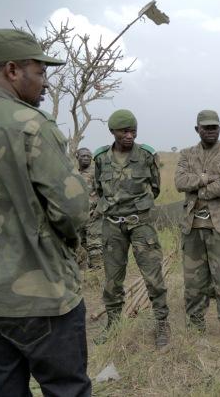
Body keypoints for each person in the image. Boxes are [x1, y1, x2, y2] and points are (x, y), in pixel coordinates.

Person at [0, 28, 92, 396]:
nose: (45, 82)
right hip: (42, 296)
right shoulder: (31, 125)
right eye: (40, 71)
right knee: (66, 388)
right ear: (12, 71)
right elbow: (73, 210)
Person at [93, 109, 171, 347]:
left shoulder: (146, 155)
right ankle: (114, 324)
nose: (129, 135)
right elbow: (99, 189)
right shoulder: (100, 158)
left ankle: (161, 324)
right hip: (112, 227)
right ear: (112, 132)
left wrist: (137, 208)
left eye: (133, 131)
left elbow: (155, 187)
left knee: (153, 276)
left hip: (141, 225)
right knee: (112, 280)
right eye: (124, 131)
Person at [175, 109, 220, 346]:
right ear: (197, 129)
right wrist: (207, 177)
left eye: (215, 127)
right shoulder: (186, 154)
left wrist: (199, 188)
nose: (211, 131)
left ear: (219, 128)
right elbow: (180, 182)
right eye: (206, 127)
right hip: (192, 225)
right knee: (194, 279)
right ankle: (196, 322)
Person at [76, 147, 103, 269]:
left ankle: (98, 271)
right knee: (82, 244)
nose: (86, 158)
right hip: (79, 215)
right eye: (83, 156)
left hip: (94, 215)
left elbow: (104, 193)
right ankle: (86, 272)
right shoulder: (74, 174)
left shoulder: (96, 173)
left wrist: (98, 210)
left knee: (95, 245)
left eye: (88, 156)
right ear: (77, 157)